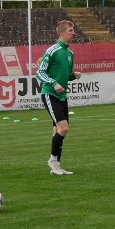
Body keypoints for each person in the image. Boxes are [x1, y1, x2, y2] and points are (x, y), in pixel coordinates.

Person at [37, 20, 81, 175]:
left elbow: (65, 76)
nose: (73, 33)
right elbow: (40, 72)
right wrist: (53, 83)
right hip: (50, 94)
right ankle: (52, 160)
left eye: (73, 30)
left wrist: (72, 76)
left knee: (58, 130)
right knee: (64, 128)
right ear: (62, 33)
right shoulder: (52, 50)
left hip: (62, 96)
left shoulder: (70, 53)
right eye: (70, 30)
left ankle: (56, 167)